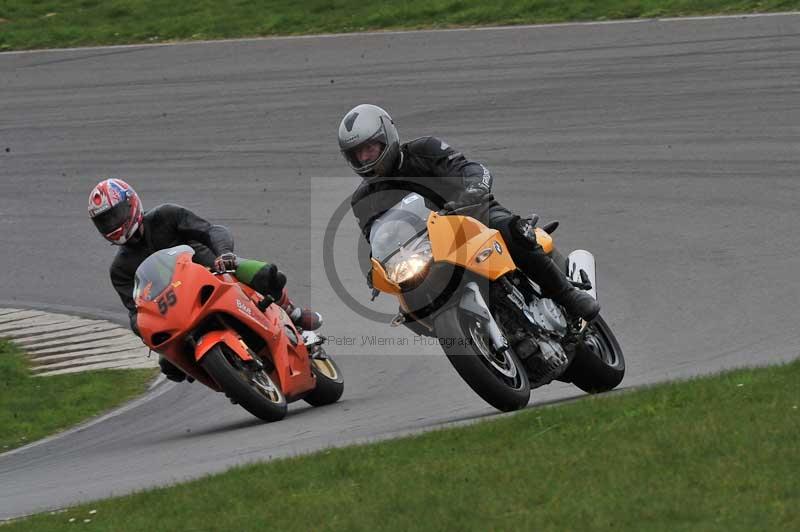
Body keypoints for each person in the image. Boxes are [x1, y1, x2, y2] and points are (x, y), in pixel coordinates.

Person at [337, 104, 600, 321]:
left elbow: (471, 168)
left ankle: (567, 295)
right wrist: (375, 272)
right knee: (409, 308)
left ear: (387, 136)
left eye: (370, 148)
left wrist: (474, 188)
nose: (365, 158)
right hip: (425, 251)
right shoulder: (363, 199)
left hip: (472, 216)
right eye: (357, 154)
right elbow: (376, 239)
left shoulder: (425, 149)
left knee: (509, 230)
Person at [88, 178, 322, 382]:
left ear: (131, 203)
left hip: (215, 273)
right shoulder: (120, 269)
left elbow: (211, 230)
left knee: (264, 273)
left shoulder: (166, 215)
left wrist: (223, 254)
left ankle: (292, 314)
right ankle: (229, 376)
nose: (113, 225)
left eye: (115, 215)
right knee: (170, 366)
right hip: (177, 312)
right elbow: (135, 312)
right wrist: (146, 331)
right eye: (105, 222)